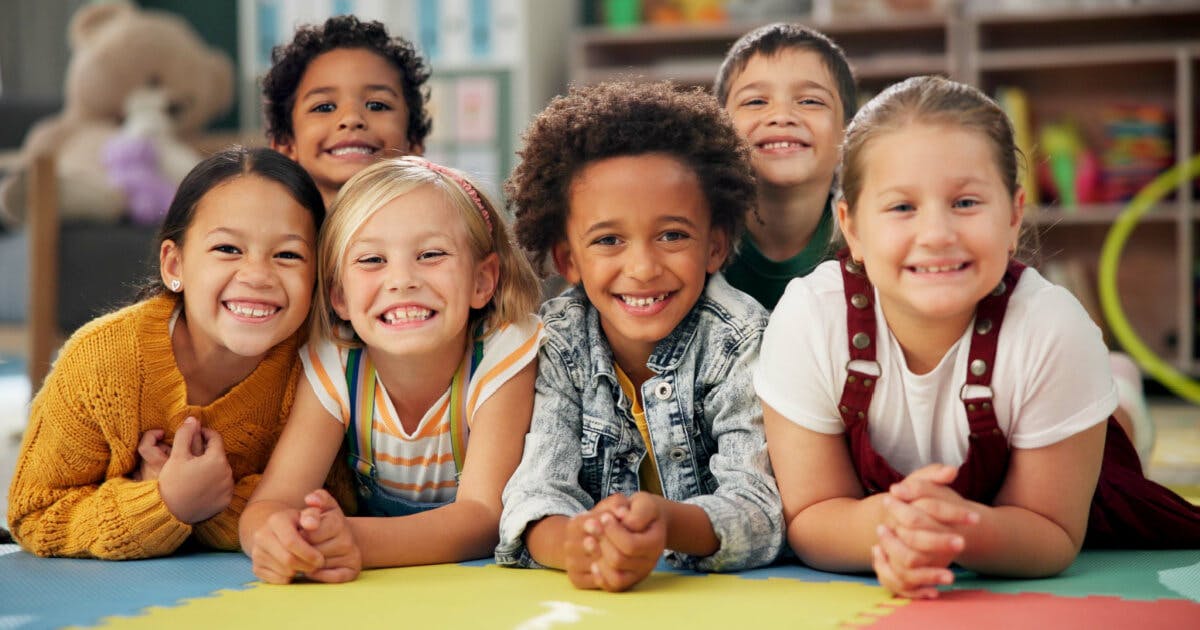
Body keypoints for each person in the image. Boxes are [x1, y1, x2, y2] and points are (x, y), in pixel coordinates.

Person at [756, 75, 1200, 600]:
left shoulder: (1053, 328)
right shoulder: (811, 318)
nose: (938, 234)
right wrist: (890, 534)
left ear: (1014, 216)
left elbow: (1053, 531)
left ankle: (1120, 391)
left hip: (1060, 447)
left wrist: (957, 530)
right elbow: (811, 513)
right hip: (908, 501)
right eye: (902, 207)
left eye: (966, 203)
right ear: (851, 227)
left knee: (1117, 428)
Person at [496, 81, 783, 592]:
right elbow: (536, 493)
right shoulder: (559, 343)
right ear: (568, 260)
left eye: (672, 235)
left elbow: (759, 509)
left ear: (715, 247)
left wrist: (668, 524)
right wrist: (579, 545)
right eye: (608, 240)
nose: (644, 267)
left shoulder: (741, 340)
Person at [7, 146, 325, 559]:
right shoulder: (101, 361)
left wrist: (206, 501)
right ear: (174, 266)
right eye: (228, 249)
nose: (258, 276)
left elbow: (336, 498)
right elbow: (33, 512)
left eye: (288, 255)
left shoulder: (317, 367)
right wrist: (164, 501)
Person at [239, 156, 543, 584]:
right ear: (339, 295)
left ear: (482, 281)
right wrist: (273, 540)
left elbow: (484, 516)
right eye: (371, 260)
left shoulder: (503, 352)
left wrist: (353, 541)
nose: (402, 280)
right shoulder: (337, 362)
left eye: (431, 254)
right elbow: (273, 501)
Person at [714, 23, 857, 310]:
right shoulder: (695, 244)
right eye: (755, 101)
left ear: (848, 136)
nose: (782, 116)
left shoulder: (868, 248)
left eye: (809, 101)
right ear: (719, 131)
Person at [263, 14, 431, 207]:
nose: (351, 118)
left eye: (377, 105)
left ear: (414, 142)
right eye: (324, 107)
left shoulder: (444, 230)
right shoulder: (270, 233)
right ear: (286, 145)